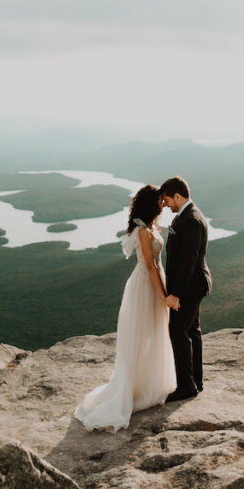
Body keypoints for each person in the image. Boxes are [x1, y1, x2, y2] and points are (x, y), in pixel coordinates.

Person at [74, 185, 177, 431]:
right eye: (160, 201)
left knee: (155, 330)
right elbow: (151, 266)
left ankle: (150, 382)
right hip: (145, 286)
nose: (164, 205)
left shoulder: (151, 226)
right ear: (151, 204)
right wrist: (164, 295)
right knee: (143, 333)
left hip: (154, 282)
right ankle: (135, 387)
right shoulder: (143, 230)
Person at [159, 176, 211, 402]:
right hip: (194, 284)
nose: (166, 205)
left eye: (167, 200)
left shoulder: (190, 219)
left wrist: (175, 293)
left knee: (177, 332)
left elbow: (188, 261)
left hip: (189, 286)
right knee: (192, 332)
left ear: (178, 196)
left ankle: (186, 386)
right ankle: (195, 381)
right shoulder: (190, 214)